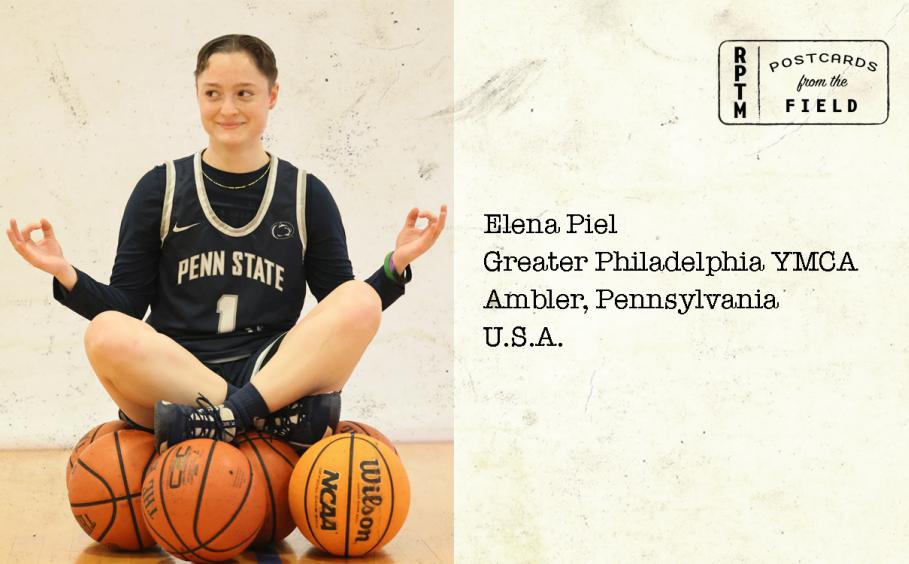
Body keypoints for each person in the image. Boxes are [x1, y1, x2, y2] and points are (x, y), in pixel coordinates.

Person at [5, 34, 446, 453]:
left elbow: (338, 310)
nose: (227, 108)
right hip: (178, 373)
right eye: (212, 93)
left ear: (272, 96)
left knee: (359, 300)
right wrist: (65, 274)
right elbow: (127, 309)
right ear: (197, 95)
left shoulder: (305, 193)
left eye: (244, 93)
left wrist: (394, 269)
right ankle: (263, 418)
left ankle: (228, 417)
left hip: (271, 367)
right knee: (103, 332)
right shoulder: (161, 188)